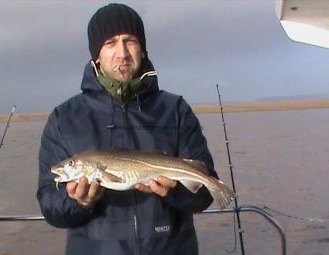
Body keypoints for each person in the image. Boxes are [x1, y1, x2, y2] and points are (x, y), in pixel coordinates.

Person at [37, 3, 218, 255]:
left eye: (130, 41)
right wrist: (77, 201)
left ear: (142, 49)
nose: (122, 53)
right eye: (110, 43)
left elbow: (203, 195)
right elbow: (49, 205)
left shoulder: (176, 110)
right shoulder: (63, 118)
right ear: (96, 54)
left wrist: (175, 191)